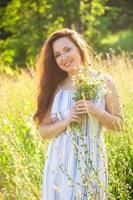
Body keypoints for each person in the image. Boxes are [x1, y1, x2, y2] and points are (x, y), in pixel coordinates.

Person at [33, 28, 124, 200]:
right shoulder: (55, 89)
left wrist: (95, 110)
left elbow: (119, 125)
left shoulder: (104, 81)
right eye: (57, 55)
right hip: (59, 165)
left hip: (92, 161)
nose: (64, 57)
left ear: (79, 48)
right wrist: (66, 120)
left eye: (67, 49)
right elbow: (43, 132)